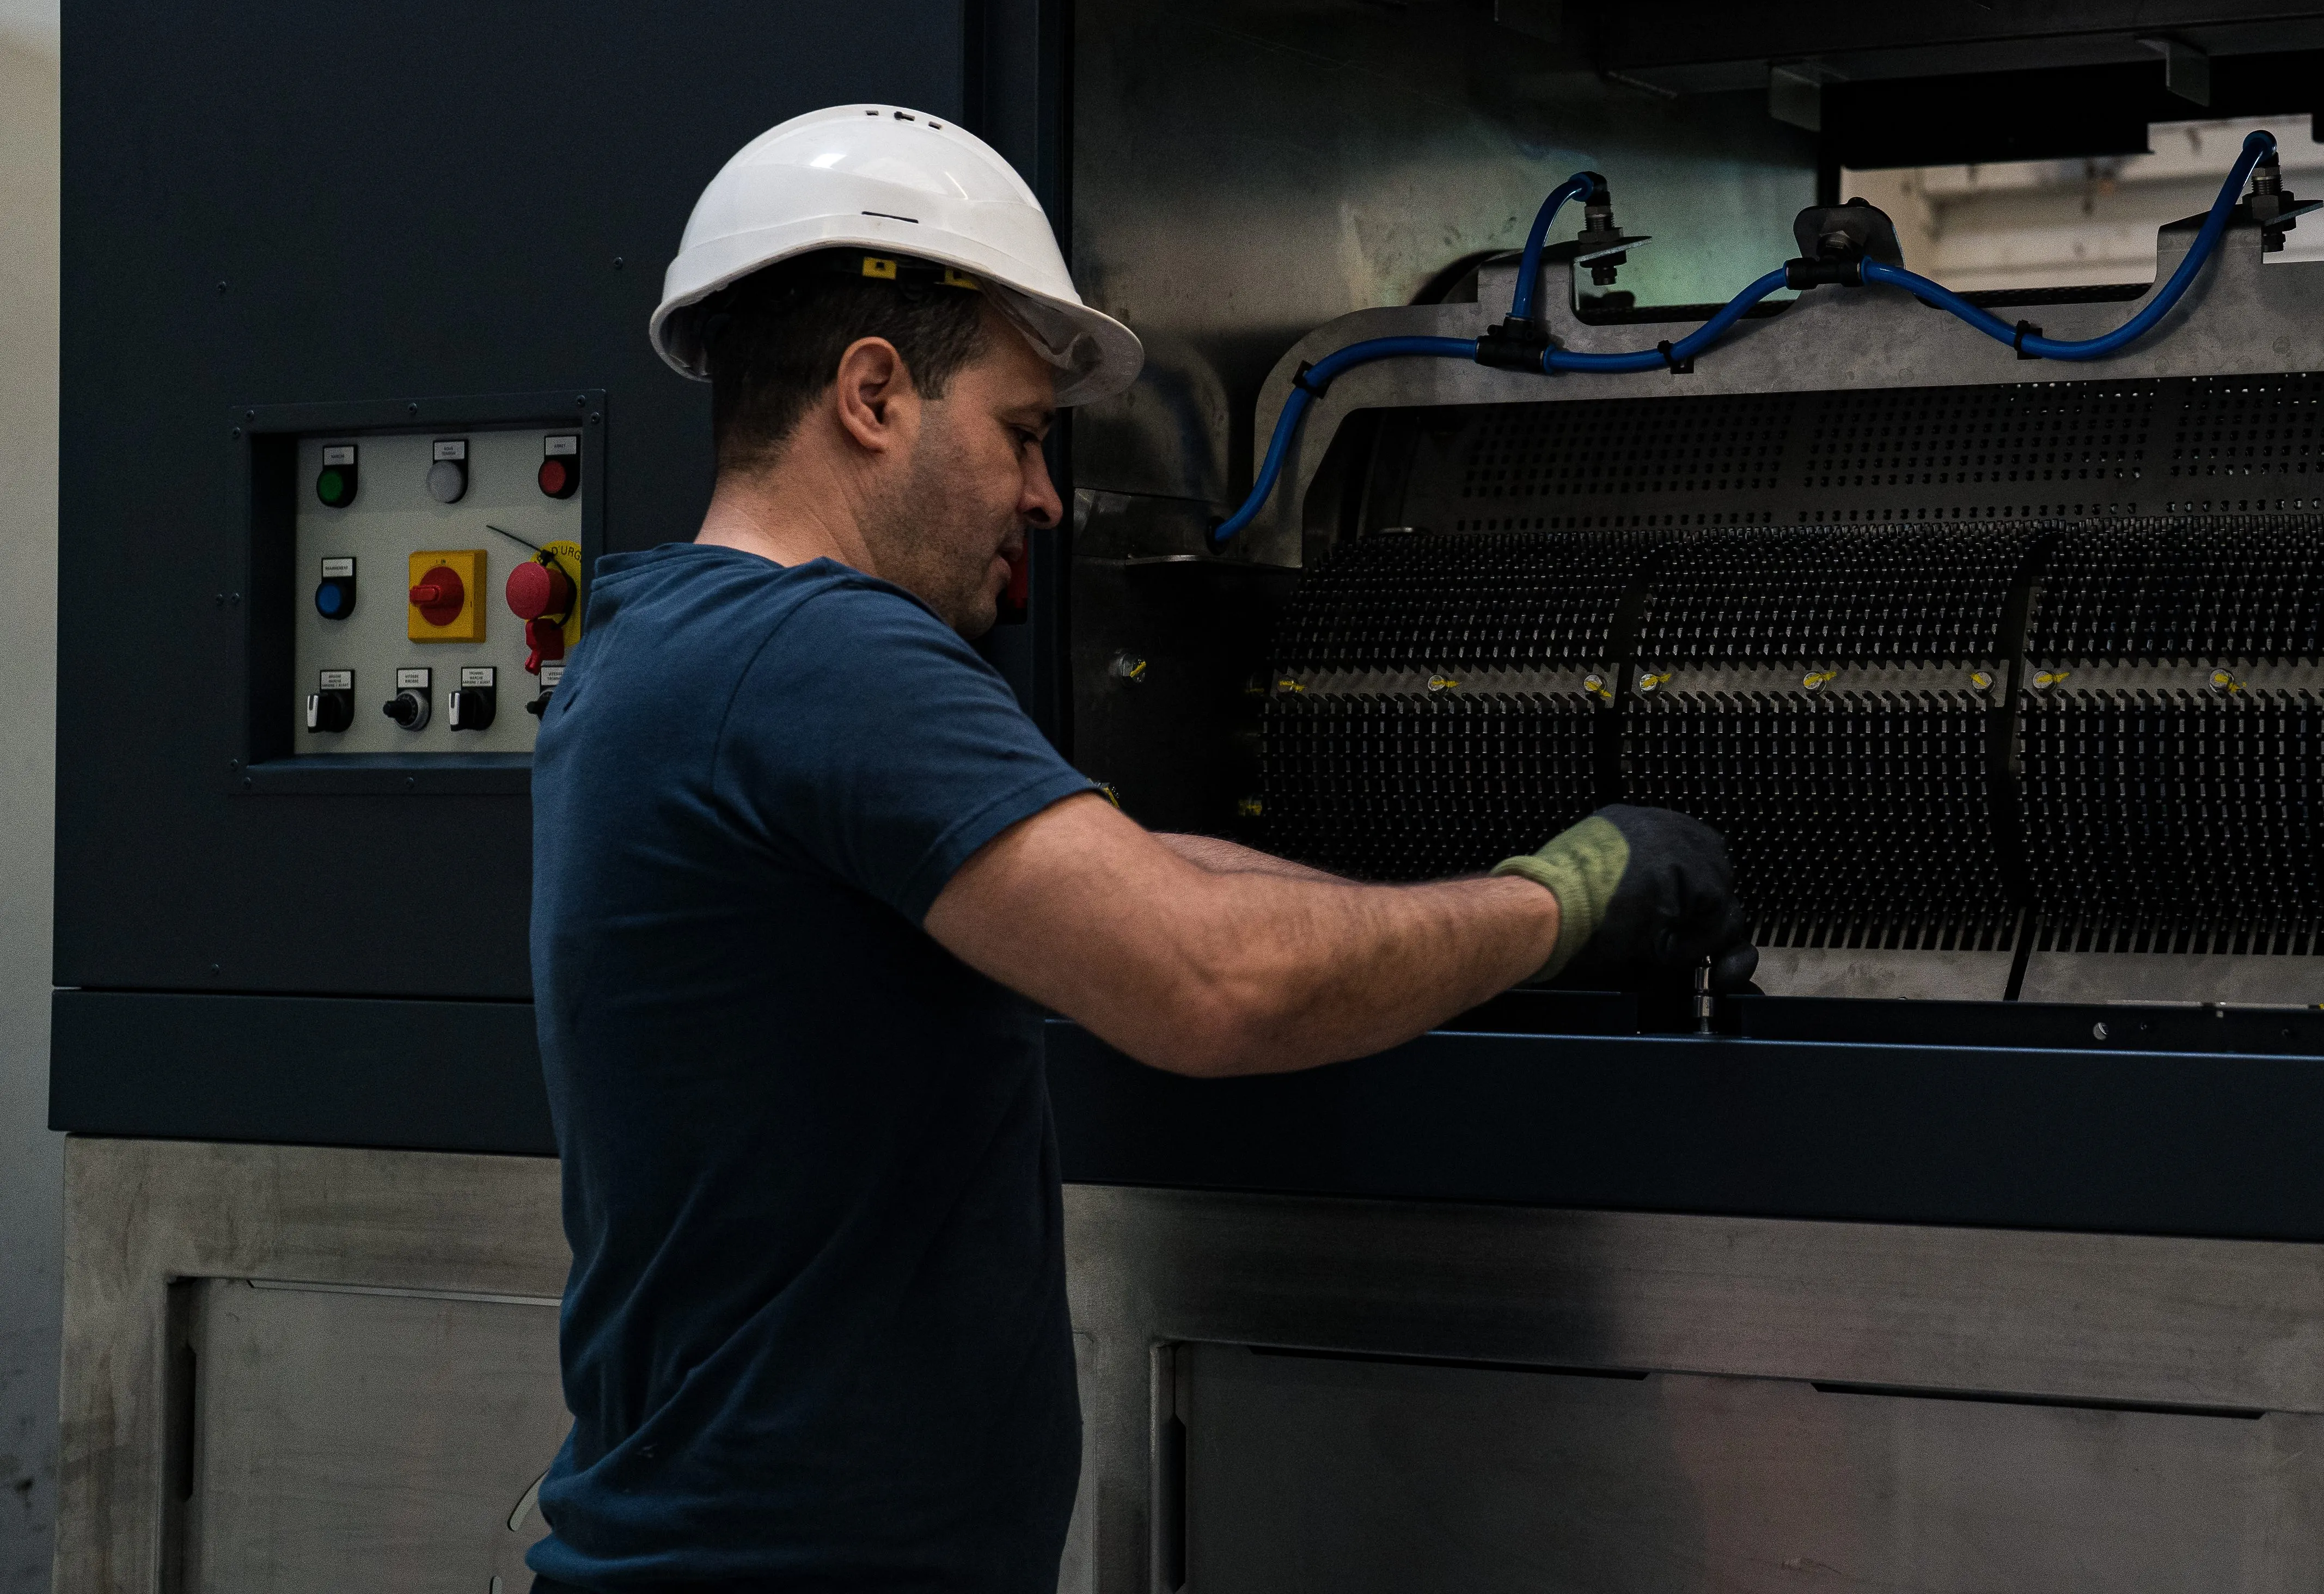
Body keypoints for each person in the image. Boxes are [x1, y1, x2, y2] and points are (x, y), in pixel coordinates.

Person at [524, 105, 1756, 1592]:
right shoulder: (824, 657)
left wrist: (1457, 910)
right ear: (871, 396)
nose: (1045, 497)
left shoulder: (668, 644)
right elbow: (1205, 982)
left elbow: (1141, 872)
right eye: (1022, 433)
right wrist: (1562, 902)